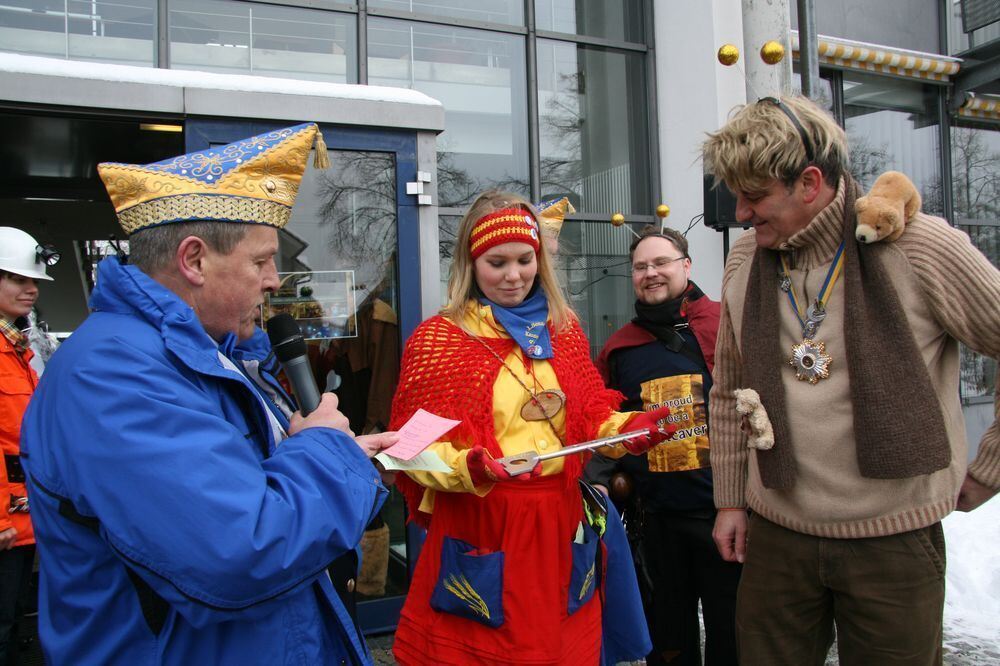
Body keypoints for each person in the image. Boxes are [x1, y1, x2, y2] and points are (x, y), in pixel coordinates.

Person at [20, 123, 397, 665]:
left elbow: (241, 490)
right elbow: (240, 552)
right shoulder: (110, 377)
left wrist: (341, 455)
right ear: (194, 260)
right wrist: (326, 454)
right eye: (261, 260)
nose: (274, 280)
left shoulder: (208, 354)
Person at [702, 95, 1000, 664]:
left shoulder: (919, 248)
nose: (740, 213)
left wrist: (990, 468)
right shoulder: (744, 263)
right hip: (777, 537)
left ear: (809, 182)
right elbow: (728, 392)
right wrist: (730, 501)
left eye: (755, 196)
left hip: (893, 542)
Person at [389, 191, 671, 665]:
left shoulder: (564, 328)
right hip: (484, 523)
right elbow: (407, 451)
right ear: (470, 263)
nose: (514, 275)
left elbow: (587, 419)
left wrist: (629, 428)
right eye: (496, 262)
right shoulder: (439, 338)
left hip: (558, 522)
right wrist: (470, 467)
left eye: (525, 259)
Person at [585, 226, 740, 665]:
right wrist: (600, 482)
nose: (651, 273)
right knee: (668, 645)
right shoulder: (620, 349)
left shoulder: (726, 323)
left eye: (661, 263)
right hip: (657, 523)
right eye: (641, 267)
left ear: (686, 265)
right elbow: (601, 426)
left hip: (726, 515)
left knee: (735, 638)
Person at [0, 227, 57, 665]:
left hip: (22, 519)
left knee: (15, 617)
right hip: (6, 522)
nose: (31, 288)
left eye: (33, 280)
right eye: (18, 279)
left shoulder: (16, 348)